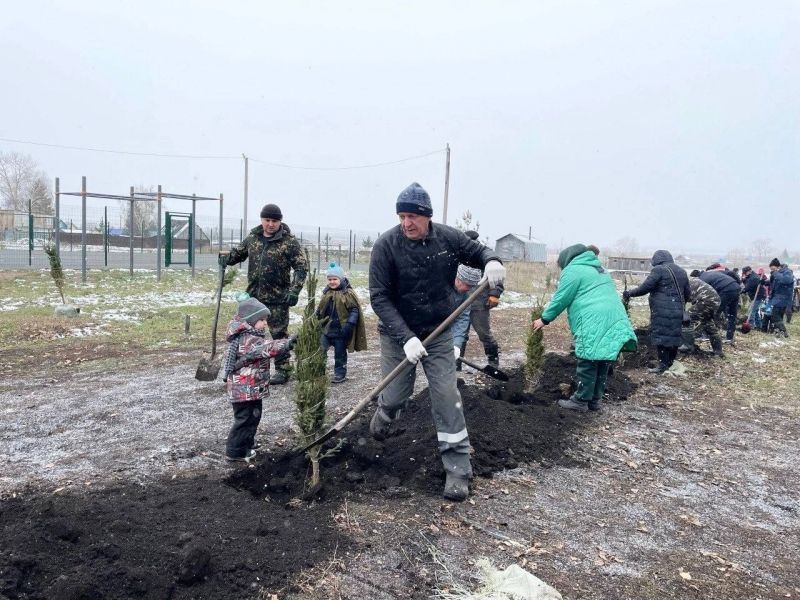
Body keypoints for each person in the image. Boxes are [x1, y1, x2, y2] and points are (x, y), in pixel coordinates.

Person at [368, 182, 505, 501]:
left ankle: (458, 469)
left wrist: (492, 261)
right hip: (396, 333)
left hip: (438, 332)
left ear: (427, 216)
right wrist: (406, 338)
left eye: (413, 216)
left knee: (446, 396)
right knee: (396, 395)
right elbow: (378, 297)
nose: (407, 223)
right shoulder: (386, 246)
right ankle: (385, 414)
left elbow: (479, 251)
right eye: (402, 216)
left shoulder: (447, 238)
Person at [534, 244, 636, 411]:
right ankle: (595, 400)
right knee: (603, 360)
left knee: (588, 360)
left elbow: (561, 298)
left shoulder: (573, 270)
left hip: (593, 319)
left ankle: (580, 400)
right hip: (615, 317)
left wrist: (544, 319)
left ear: (567, 260)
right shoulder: (599, 269)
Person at [221, 203, 308, 384]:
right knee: (248, 334)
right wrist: (226, 259)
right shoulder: (253, 238)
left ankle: (283, 370)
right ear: (262, 220)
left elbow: (301, 267)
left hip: (278, 297)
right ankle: (248, 365)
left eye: (274, 221)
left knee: (279, 334)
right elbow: (239, 254)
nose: (270, 224)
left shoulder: (289, 242)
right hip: (254, 298)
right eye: (267, 220)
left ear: (279, 222)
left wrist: (294, 290)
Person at [221, 297, 293, 462]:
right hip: (243, 391)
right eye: (261, 320)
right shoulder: (246, 339)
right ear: (250, 321)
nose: (265, 324)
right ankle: (235, 451)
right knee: (244, 419)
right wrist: (286, 344)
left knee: (253, 416)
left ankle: (247, 442)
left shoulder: (252, 335)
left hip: (250, 390)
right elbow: (264, 349)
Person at [624, 250, 690, 374]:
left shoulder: (658, 270)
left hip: (662, 310)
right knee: (674, 336)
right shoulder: (681, 271)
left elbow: (645, 288)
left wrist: (629, 293)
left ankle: (662, 365)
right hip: (678, 310)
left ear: (657, 259)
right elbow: (687, 293)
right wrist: (678, 305)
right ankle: (670, 362)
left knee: (661, 337)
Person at [457, 230, 503, 368]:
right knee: (461, 334)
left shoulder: (484, 256)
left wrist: (495, 293)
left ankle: (493, 360)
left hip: (479, 302)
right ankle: (456, 361)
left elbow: (497, 277)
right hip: (461, 302)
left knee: (484, 333)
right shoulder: (458, 255)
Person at [316, 262, 366, 383]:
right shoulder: (326, 293)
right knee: (320, 350)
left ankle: (340, 374)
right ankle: (318, 372)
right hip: (327, 330)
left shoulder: (347, 293)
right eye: (329, 279)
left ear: (341, 279)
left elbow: (354, 310)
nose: (332, 282)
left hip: (341, 331)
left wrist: (350, 324)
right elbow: (321, 309)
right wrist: (317, 317)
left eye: (335, 279)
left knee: (340, 355)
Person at [682, 274, 722, 356]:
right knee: (708, 323)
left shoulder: (683, 283)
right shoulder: (691, 280)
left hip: (705, 300)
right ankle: (718, 351)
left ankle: (687, 346)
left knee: (686, 319)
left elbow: (682, 301)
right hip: (715, 300)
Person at [451, 265, 484, 365]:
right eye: (467, 285)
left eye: (472, 286)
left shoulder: (465, 297)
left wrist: (456, 345)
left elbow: (462, 319)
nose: (468, 289)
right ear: (458, 278)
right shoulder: (439, 285)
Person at [698, 265, 741, 343]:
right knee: (732, 313)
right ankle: (729, 337)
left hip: (726, 289)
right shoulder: (712, 273)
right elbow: (730, 273)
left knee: (713, 312)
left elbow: (705, 295)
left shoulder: (701, 279)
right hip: (736, 287)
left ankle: (706, 335)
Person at [767, 258, 793, 337]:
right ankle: (777, 332)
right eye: (771, 269)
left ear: (778, 267)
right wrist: (765, 282)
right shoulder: (777, 273)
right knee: (779, 316)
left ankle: (783, 331)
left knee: (775, 315)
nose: (772, 271)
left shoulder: (787, 272)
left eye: (773, 269)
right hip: (776, 298)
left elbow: (787, 280)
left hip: (784, 298)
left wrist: (775, 274)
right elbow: (774, 285)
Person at [741, 266, 768, 330]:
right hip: (756, 295)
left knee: (751, 311)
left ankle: (751, 326)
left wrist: (742, 291)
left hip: (758, 296)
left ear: (749, 271)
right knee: (755, 311)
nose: (744, 274)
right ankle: (759, 325)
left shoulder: (754, 278)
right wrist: (744, 280)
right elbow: (747, 284)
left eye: (745, 273)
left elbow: (747, 288)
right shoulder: (750, 276)